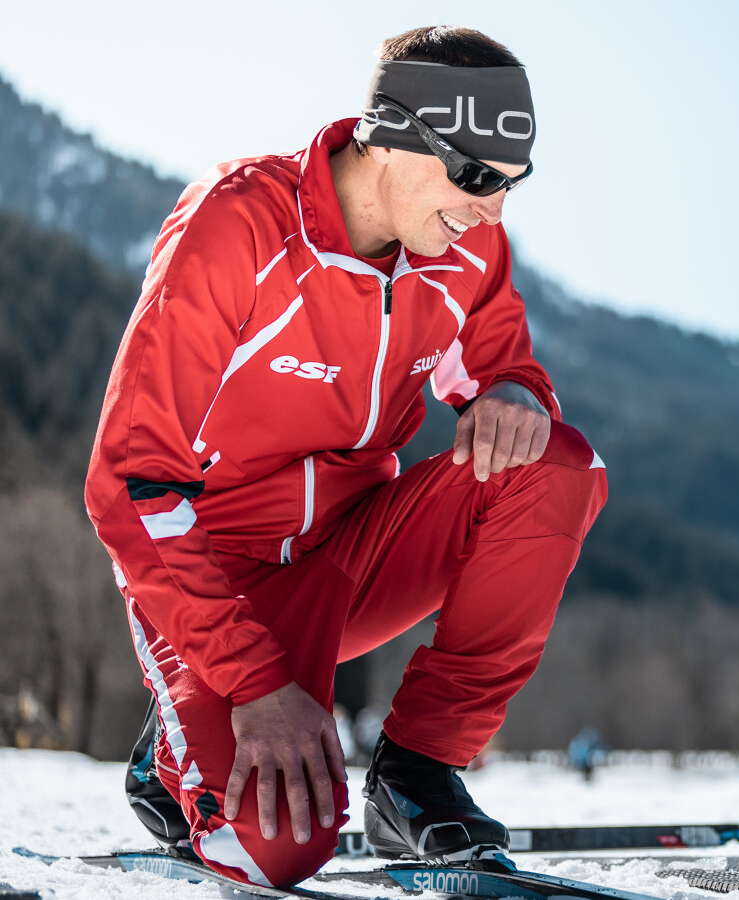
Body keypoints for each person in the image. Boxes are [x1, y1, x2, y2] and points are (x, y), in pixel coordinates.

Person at [88, 26, 608, 888]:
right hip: (217, 580)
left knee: (557, 466)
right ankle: (185, 740)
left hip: (350, 561)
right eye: (478, 177)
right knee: (276, 850)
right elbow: (128, 483)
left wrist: (516, 392)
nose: (495, 209)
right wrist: (254, 684)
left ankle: (416, 771)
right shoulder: (238, 226)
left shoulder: (467, 250)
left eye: (514, 184)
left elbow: (502, 366)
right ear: (395, 136)